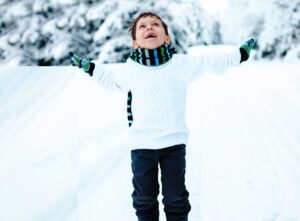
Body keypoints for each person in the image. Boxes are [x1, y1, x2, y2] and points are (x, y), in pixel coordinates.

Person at [69, 12, 255, 221]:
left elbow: (209, 61)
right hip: (142, 146)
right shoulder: (130, 70)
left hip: (173, 144)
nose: (149, 28)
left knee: (176, 197)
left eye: (156, 24)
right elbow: (109, 79)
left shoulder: (181, 64)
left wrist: (238, 55)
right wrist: (91, 68)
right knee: (144, 199)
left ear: (167, 37)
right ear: (135, 43)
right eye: (143, 26)